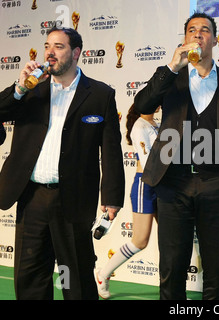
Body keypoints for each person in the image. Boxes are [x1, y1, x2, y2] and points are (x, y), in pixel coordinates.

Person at [133, 12, 219, 300]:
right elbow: (142, 104)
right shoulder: (170, 77)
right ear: (185, 39)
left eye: (204, 30)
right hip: (173, 183)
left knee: (215, 267)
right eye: (192, 30)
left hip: (215, 182)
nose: (198, 34)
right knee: (172, 266)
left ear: (215, 39)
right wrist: (170, 68)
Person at [0, 26, 125, 300]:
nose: (49, 52)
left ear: (76, 53)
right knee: (29, 276)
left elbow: (112, 151)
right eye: (47, 46)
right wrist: (20, 88)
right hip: (31, 197)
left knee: (75, 278)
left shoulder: (100, 94)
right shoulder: (31, 90)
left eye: (58, 46)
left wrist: (112, 197)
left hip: (74, 199)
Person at [94, 104, 160, 299]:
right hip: (145, 186)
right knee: (140, 241)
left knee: (170, 242)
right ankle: (103, 274)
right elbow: (149, 161)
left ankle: (172, 291)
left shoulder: (158, 123)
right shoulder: (139, 125)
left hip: (165, 186)